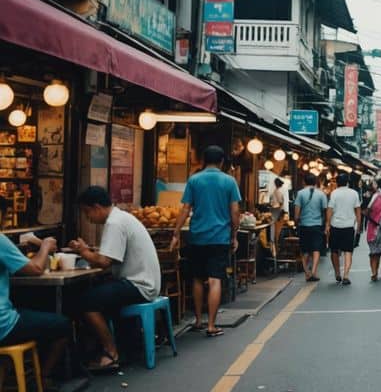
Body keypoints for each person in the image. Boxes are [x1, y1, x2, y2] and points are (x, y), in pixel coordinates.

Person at [72, 186, 161, 371]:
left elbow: (104, 261)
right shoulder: (121, 218)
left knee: (87, 302)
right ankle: (120, 346)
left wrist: (84, 252)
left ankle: (111, 353)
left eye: (87, 212)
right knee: (96, 292)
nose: (87, 218)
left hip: (140, 285)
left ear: (96, 207)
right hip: (144, 282)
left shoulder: (114, 223)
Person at [171, 145, 241, 337]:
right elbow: (235, 212)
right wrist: (234, 235)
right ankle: (211, 325)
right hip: (219, 237)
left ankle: (198, 321)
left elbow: (185, 209)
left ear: (203, 161)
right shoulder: (229, 181)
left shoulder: (194, 180)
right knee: (215, 278)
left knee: (197, 278)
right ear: (221, 162)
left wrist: (176, 232)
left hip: (197, 236)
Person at [0, 234, 68, 379]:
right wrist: (45, 246)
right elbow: (36, 269)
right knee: (62, 325)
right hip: (3, 326)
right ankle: (43, 378)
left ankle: (9, 372)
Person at [326, 173, 361, 285]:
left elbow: (330, 210)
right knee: (348, 251)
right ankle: (346, 275)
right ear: (348, 182)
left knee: (334, 250)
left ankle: (337, 273)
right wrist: (359, 225)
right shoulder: (354, 193)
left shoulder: (334, 193)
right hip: (349, 226)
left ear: (337, 182)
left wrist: (327, 224)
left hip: (335, 225)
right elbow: (358, 211)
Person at [293, 173, 328, 283]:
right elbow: (325, 210)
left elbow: (297, 212)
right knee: (316, 249)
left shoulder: (300, 193)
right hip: (317, 225)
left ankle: (307, 273)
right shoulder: (321, 194)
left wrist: (296, 221)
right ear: (315, 182)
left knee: (305, 250)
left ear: (304, 182)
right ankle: (313, 271)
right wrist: (326, 223)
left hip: (304, 225)